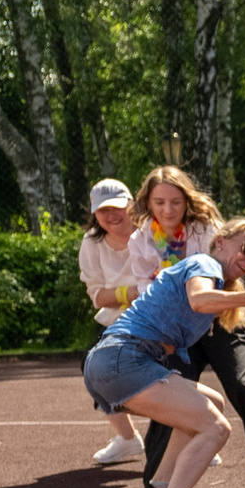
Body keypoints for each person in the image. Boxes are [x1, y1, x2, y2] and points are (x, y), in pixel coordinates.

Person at [81, 218, 245, 488]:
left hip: (112, 362)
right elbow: (199, 300)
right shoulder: (204, 264)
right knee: (216, 428)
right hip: (122, 360)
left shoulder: (211, 277)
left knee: (213, 403)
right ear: (220, 242)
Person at [128, 166, 245, 488]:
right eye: (160, 202)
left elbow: (227, 269)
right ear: (148, 203)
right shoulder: (140, 240)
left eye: (176, 201)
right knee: (169, 394)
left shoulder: (205, 227)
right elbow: (147, 289)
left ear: (187, 201)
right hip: (181, 330)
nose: (168, 209)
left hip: (225, 317)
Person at [76, 177, 146, 466]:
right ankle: (127, 439)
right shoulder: (91, 243)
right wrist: (128, 293)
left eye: (117, 206)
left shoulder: (150, 233)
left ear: (131, 205)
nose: (111, 215)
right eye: (103, 210)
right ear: (95, 214)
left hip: (155, 318)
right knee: (93, 367)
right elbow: (97, 296)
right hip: (114, 321)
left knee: (176, 370)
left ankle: (195, 431)